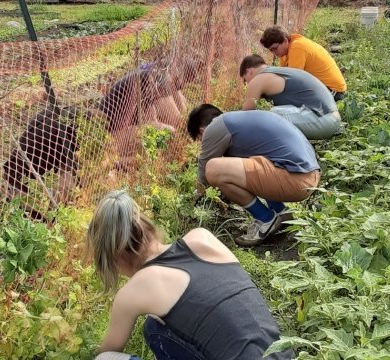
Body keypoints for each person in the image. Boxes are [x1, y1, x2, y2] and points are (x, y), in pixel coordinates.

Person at [87, 190, 295, 360]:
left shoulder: (136, 290)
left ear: (115, 254)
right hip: (282, 355)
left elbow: (107, 350)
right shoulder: (202, 238)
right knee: (155, 324)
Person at [187, 104, 320, 246]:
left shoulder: (215, 127)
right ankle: (280, 211)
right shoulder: (241, 122)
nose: (204, 143)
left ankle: (266, 219)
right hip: (309, 176)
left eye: (201, 139)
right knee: (251, 163)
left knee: (213, 169)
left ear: (202, 131)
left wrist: (193, 198)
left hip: (296, 181)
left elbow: (205, 169)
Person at [98, 59, 200, 169]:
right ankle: (116, 162)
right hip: (113, 135)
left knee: (163, 133)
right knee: (168, 131)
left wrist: (154, 131)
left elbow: (152, 119)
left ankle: (124, 162)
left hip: (124, 130)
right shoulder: (137, 84)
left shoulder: (149, 86)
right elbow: (124, 124)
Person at [2, 104, 85, 218]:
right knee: (71, 180)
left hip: (11, 176)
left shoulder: (60, 111)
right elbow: (70, 171)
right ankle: (52, 219)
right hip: (25, 191)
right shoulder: (75, 131)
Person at [240, 54, 343, 140]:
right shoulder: (281, 72)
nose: (247, 84)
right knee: (271, 113)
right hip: (332, 118)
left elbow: (246, 115)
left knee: (264, 117)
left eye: (245, 80)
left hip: (324, 121)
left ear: (249, 71)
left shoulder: (258, 79)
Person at [260, 25, 347, 101]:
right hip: (322, 87)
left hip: (334, 92)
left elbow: (292, 81)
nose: (274, 53)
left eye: (275, 48)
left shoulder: (297, 47)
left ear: (285, 41)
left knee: (289, 96)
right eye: (271, 50)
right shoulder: (285, 52)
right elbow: (282, 77)